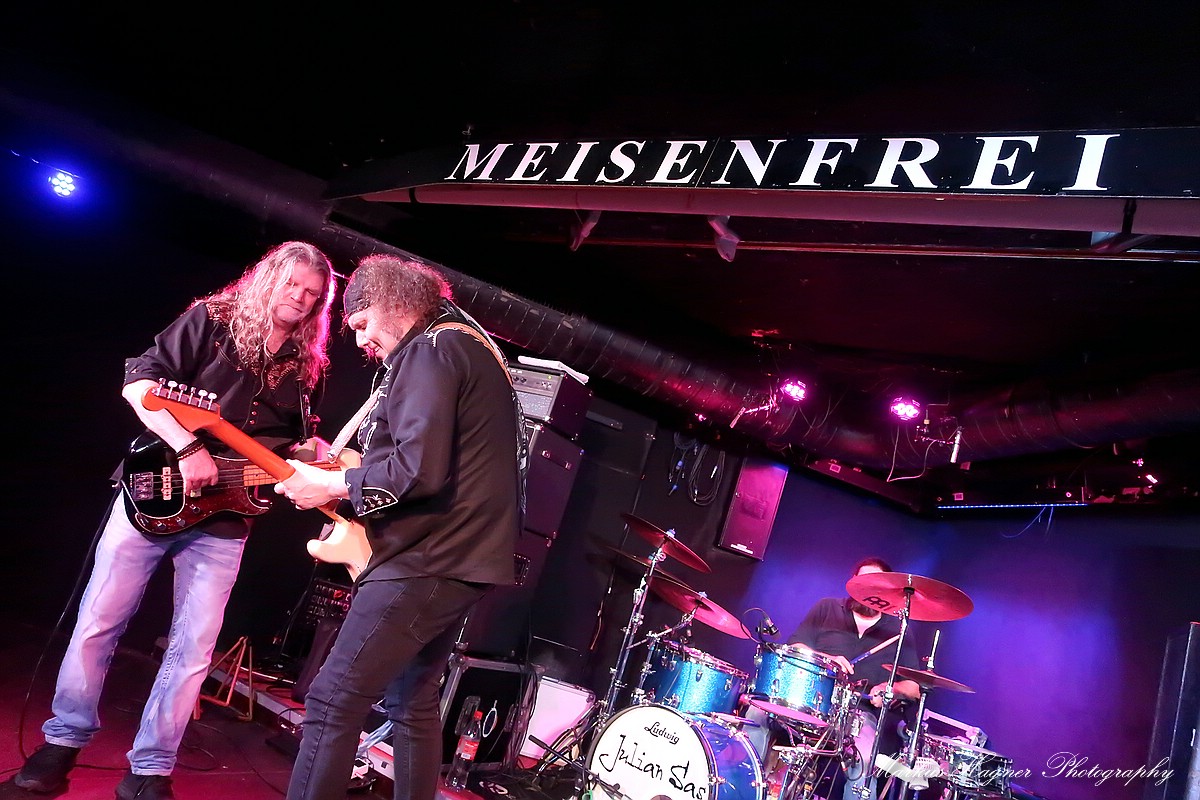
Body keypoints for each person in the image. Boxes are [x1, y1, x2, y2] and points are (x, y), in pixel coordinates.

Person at [14, 241, 338, 800]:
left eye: (312, 294)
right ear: (269, 278)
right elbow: (138, 385)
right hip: (154, 491)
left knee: (193, 650)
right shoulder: (211, 321)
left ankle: (150, 769)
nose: (300, 299)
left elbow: (287, 445)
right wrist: (189, 448)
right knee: (99, 623)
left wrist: (313, 458)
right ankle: (62, 741)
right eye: (292, 285)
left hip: (226, 520)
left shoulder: (308, 366)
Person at [272, 254, 527, 800]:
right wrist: (341, 471)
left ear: (393, 302)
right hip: (462, 557)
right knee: (411, 701)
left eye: (363, 323)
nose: (361, 341)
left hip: (428, 558)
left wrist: (332, 485)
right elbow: (431, 459)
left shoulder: (430, 350)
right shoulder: (465, 343)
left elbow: (417, 471)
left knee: (332, 700)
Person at [785, 557, 922, 800]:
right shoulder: (827, 608)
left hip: (859, 716)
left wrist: (890, 687)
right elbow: (795, 647)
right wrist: (827, 659)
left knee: (865, 761)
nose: (867, 589)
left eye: (875, 583)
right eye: (862, 582)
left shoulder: (899, 630)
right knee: (757, 715)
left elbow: (914, 688)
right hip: (812, 703)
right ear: (852, 584)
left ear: (887, 591)